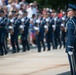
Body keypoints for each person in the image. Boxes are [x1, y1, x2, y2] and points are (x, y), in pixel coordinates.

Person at [66, 4, 76, 75]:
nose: (68, 13)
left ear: (73, 12)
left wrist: (70, 48)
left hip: (72, 47)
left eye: (69, 11)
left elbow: (70, 36)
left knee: (73, 67)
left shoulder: (71, 22)